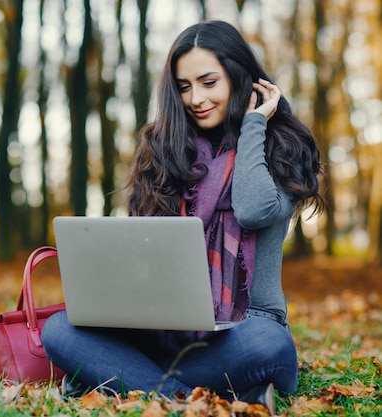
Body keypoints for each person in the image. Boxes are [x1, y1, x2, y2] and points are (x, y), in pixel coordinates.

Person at [41, 19, 325, 413]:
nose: (195, 98)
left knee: (269, 344)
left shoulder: (282, 146)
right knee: (59, 329)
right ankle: (189, 396)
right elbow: (142, 250)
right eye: (184, 86)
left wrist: (253, 125)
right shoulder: (162, 149)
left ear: (241, 78)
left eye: (209, 83)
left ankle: (128, 380)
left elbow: (253, 209)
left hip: (243, 331)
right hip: (163, 331)